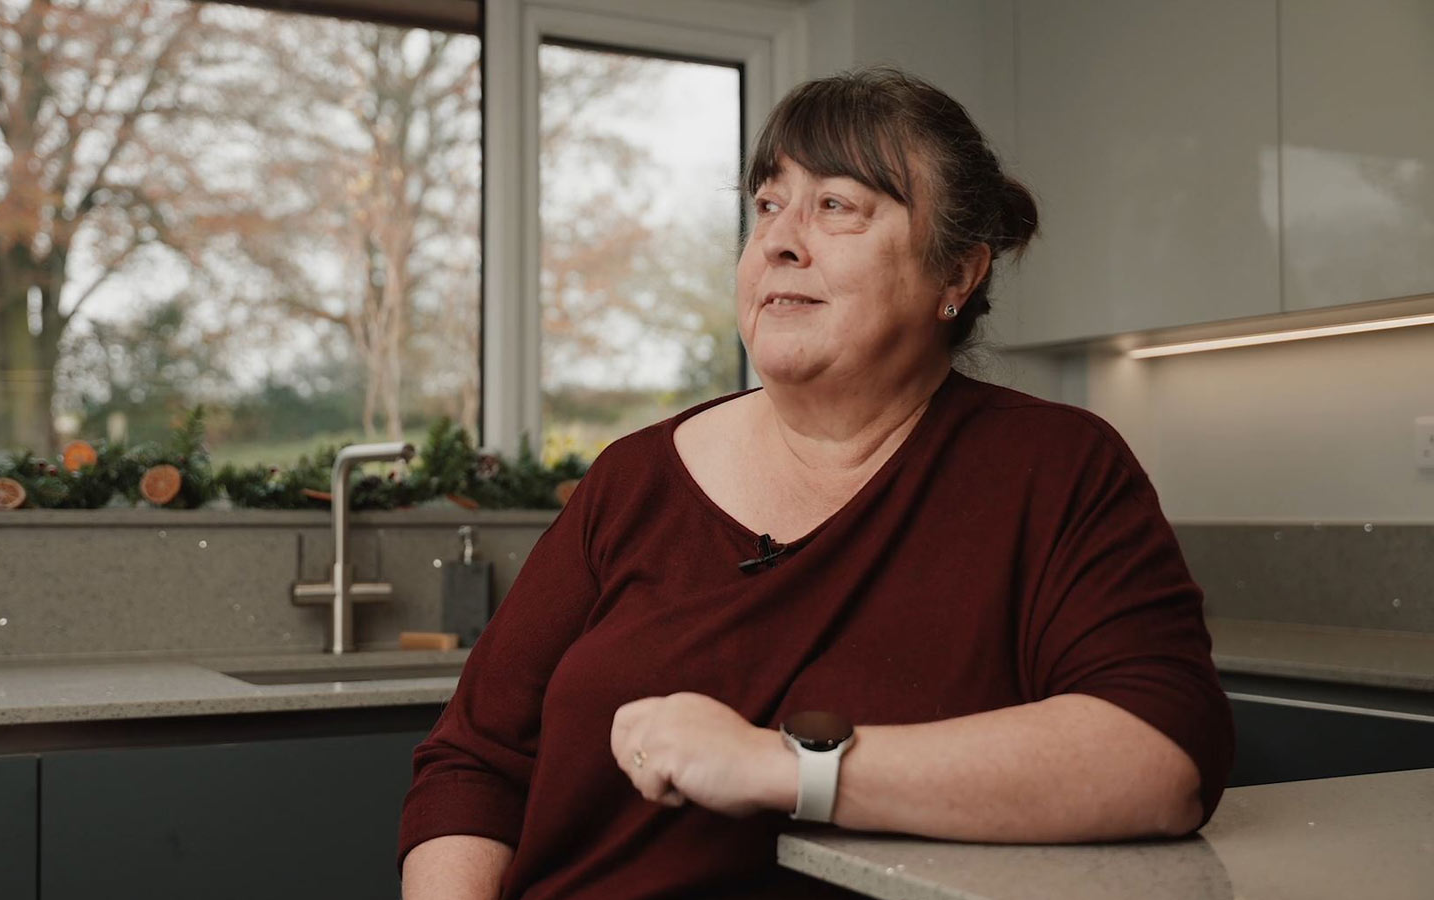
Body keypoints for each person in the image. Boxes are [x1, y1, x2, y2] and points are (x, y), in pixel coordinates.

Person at [399, 66, 1234, 899]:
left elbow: (1163, 755)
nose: (779, 240)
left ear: (958, 275)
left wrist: (786, 766)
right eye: (767, 206)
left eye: (837, 205)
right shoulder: (634, 478)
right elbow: (475, 764)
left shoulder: (1056, 469)